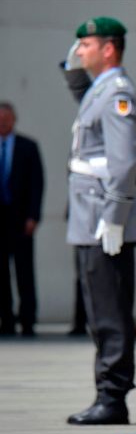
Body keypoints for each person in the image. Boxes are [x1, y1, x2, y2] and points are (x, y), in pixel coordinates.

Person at [59, 17, 136, 425]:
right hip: (90, 215)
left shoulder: (117, 93)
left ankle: (113, 397)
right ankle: (107, 394)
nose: (80, 49)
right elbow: (77, 85)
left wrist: (114, 215)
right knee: (98, 309)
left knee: (110, 311)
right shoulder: (98, 89)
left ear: (109, 48)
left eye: (87, 43)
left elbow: (124, 161)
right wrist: (73, 59)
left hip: (103, 219)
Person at [0, 102, 44, 337]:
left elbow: (37, 184)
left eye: (6, 118)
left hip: (20, 219)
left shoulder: (28, 147)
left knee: (24, 271)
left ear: (14, 120)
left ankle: (28, 319)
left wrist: (33, 216)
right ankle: (5, 319)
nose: (3, 123)